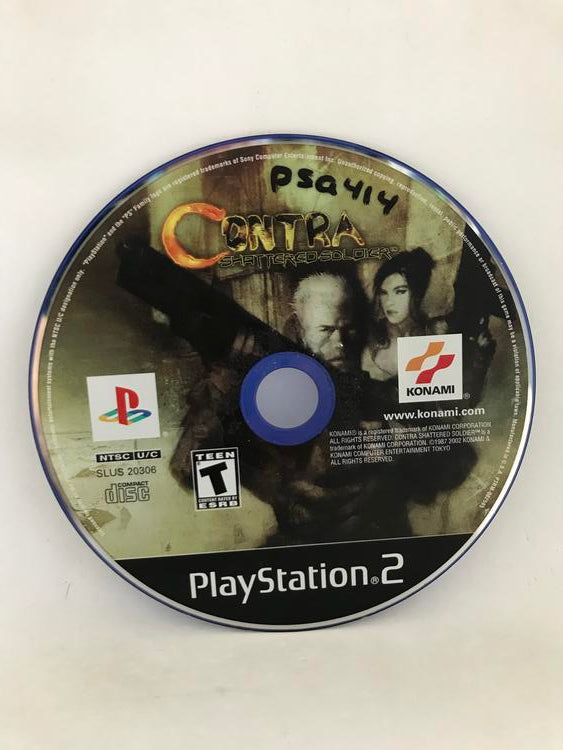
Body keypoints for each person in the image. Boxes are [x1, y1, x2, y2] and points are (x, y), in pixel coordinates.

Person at [170, 271, 411, 545]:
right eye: (326, 330)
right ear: (298, 329)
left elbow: (435, 452)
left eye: (350, 329)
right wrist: (271, 486)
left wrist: (386, 474)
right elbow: (191, 473)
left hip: (381, 542)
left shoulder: (371, 388)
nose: (341, 343)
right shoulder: (250, 391)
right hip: (298, 548)